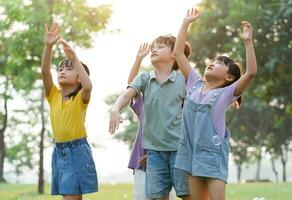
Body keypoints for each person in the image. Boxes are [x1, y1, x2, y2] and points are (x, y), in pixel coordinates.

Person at [174, 8, 257, 200]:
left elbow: (251, 72)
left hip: (212, 156)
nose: (211, 63)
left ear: (229, 76)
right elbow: (178, 53)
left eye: (218, 62)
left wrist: (247, 41)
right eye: (211, 61)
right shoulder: (194, 83)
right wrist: (186, 23)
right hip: (190, 152)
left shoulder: (226, 94)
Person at [109, 35, 191, 200]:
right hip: (154, 153)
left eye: (160, 46)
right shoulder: (144, 78)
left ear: (175, 54)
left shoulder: (183, 81)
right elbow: (126, 95)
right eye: (154, 46)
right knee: (157, 197)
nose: (154, 49)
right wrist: (115, 108)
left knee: (186, 194)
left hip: (180, 150)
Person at [41, 22, 98, 200]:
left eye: (69, 68)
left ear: (79, 78)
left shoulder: (81, 98)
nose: (62, 71)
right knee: (67, 195)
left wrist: (75, 58)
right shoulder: (53, 96)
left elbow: (88, 85)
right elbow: (44, 72)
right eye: (60, 69)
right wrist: (48, 46)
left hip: (77, 151)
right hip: (59, 151)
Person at [127, 43, 176, 200]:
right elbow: (131, 87)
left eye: (162, 46)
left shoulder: (177, 98)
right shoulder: (145, 102)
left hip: (167, 161)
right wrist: (138, 59)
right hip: (142, 161)